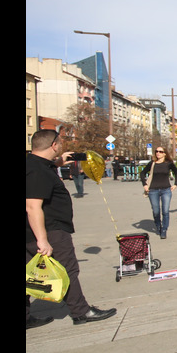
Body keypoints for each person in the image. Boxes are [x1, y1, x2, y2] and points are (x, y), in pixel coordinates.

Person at [26, 129, 116, 328]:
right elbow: (32, 206)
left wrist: (57, 164)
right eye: (60, 143)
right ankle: (81, 311)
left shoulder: (35, 164)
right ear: (54, 145)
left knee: (28, 272)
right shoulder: (38, 170)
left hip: (33, 231)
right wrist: (42, 239)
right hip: (50, 229)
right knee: (67, 269)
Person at [140, 146, 177, 239]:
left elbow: (176, 172)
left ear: (165, 153)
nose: (158, 153)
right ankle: (158, 225)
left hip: (166, 190)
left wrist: (175, 184)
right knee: (156, 211)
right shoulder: (152, 163)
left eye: (160, 151)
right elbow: (142, 173)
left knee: (165, 211)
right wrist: (145, 185)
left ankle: (164, 229)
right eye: (156, 151)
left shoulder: (169, 163)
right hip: (153, 190)